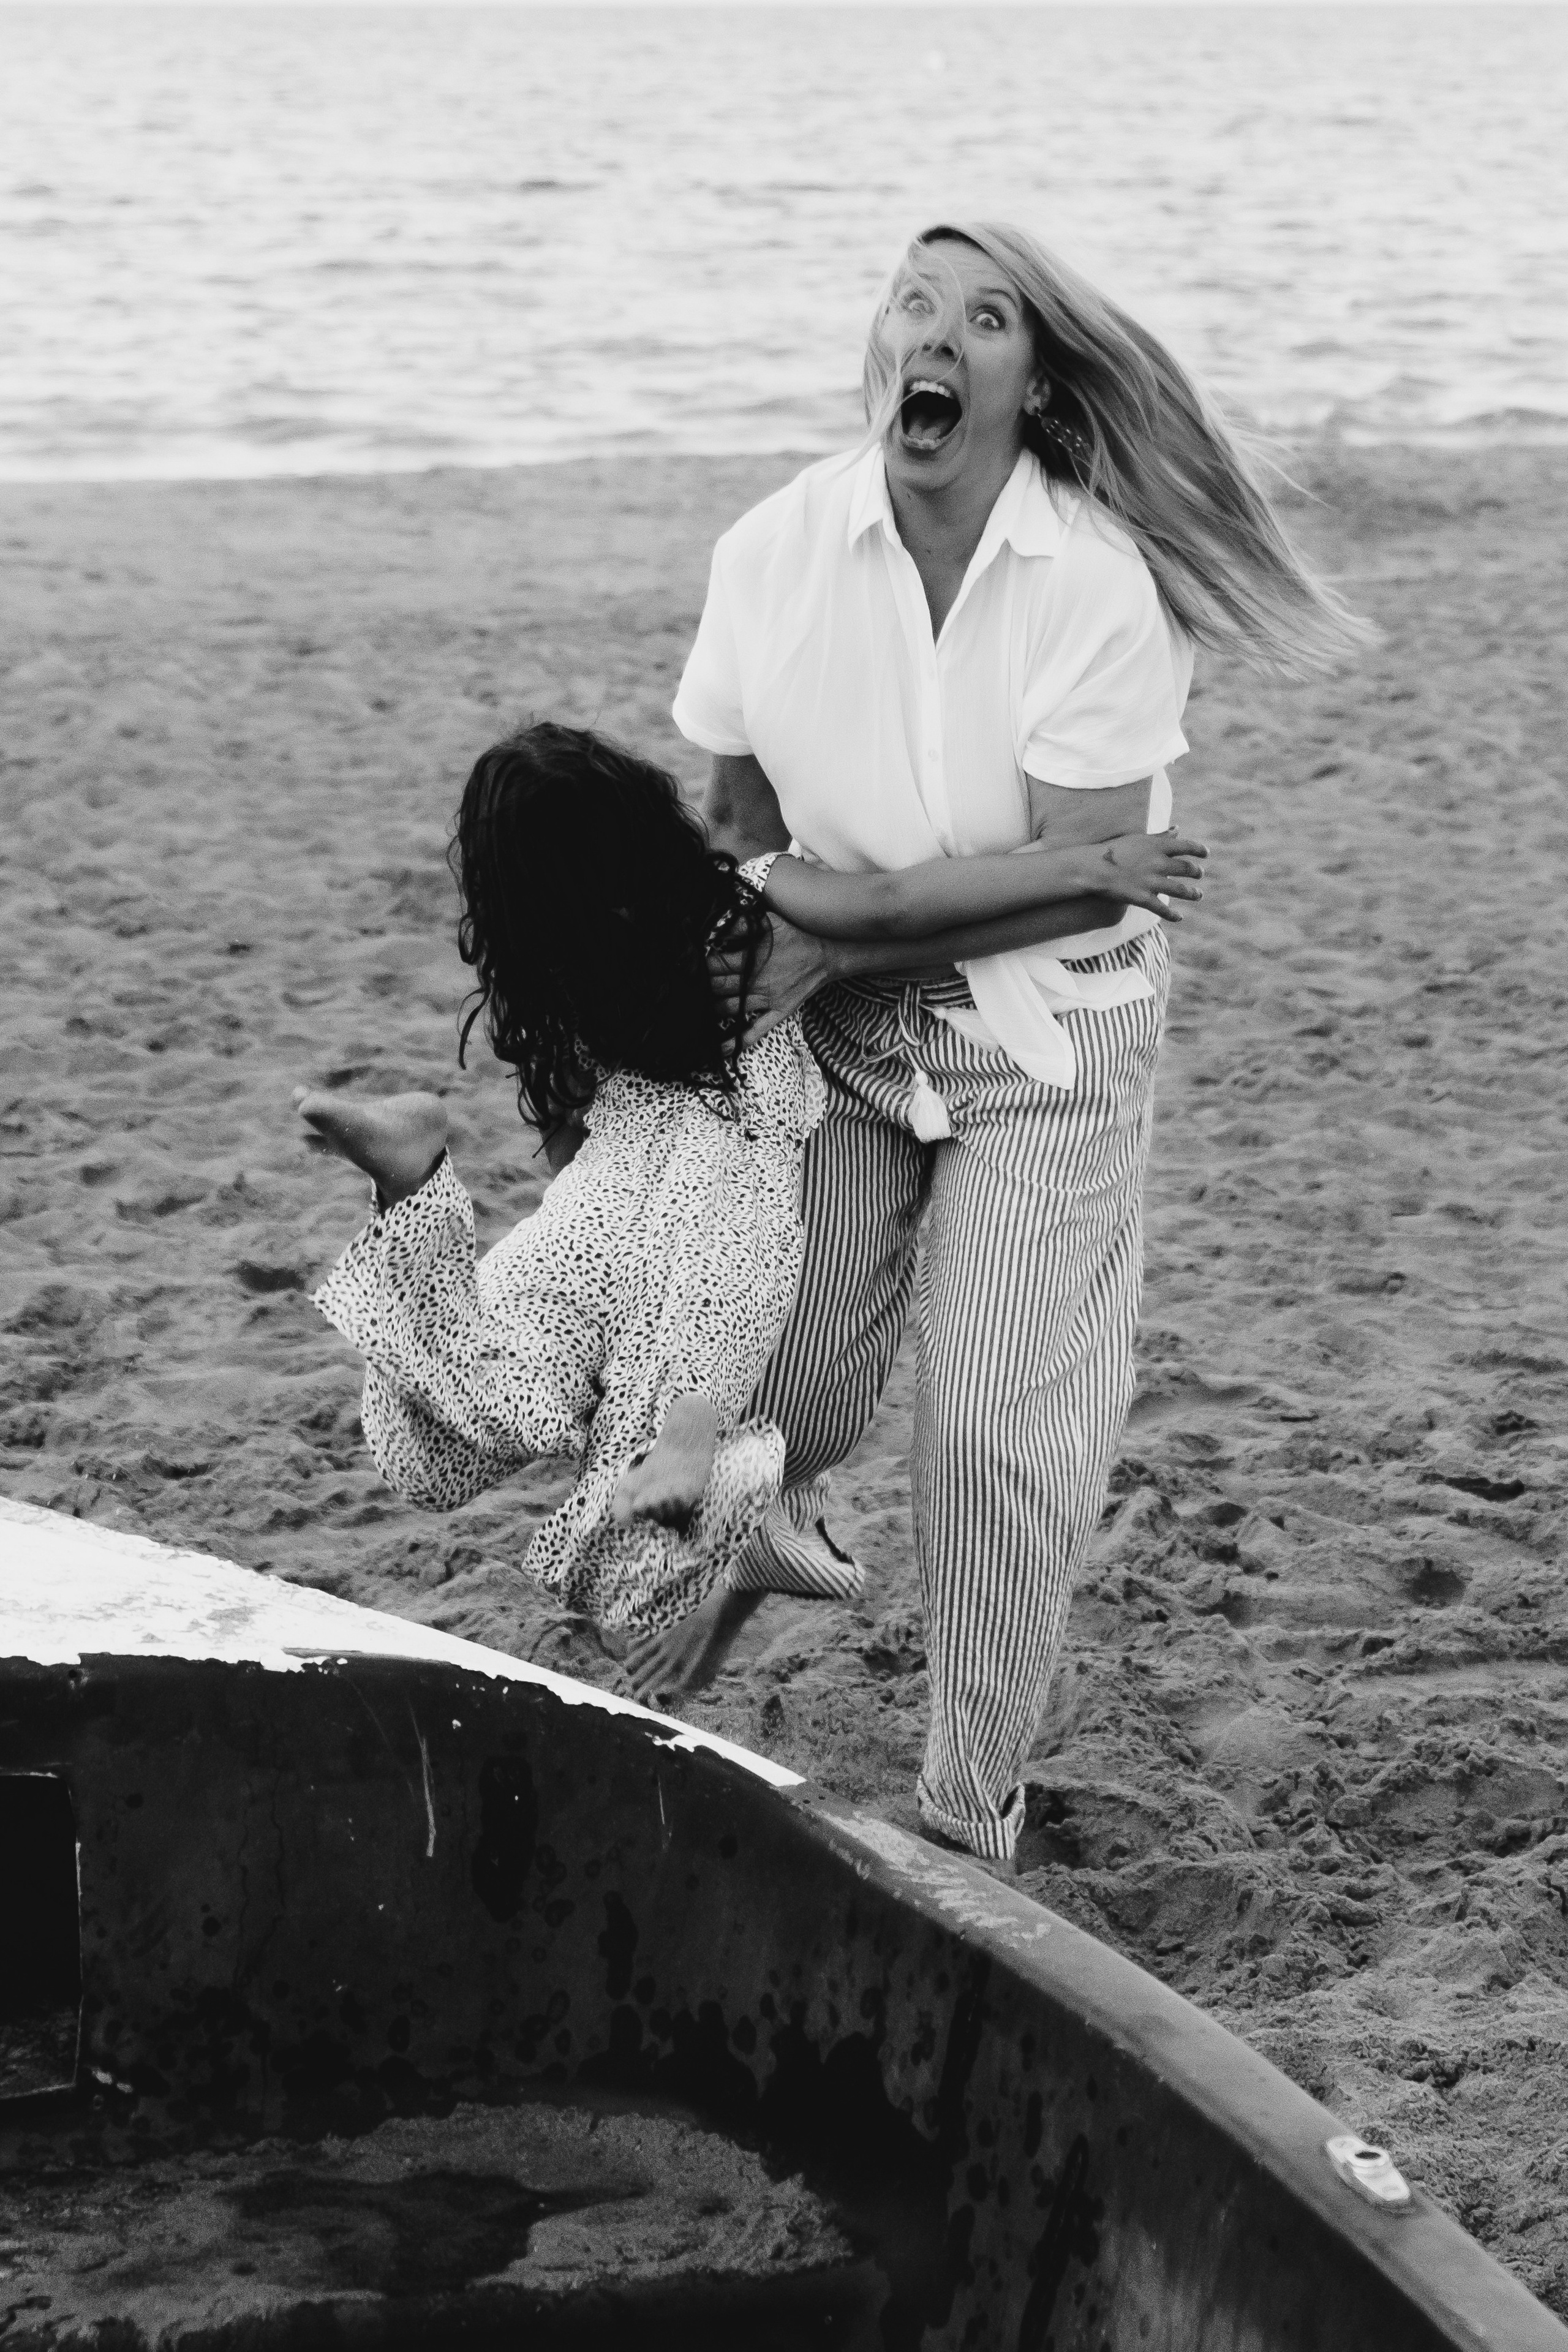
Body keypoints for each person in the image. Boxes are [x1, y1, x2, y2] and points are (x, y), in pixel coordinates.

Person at [636, 219, 1362, 1864]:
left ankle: (972, 1818)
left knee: (987, 1439)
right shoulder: (772, 551)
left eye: (988, 317)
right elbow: (739, 831)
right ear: (882, 354)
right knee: (780, 1408)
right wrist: (806, 932)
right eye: (916, 303)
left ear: (1033, 386)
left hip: (1053, 1039)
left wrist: (834, 921)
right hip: (842, 1031)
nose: (940, 334)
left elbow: (1079, 893)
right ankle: (761, 1538)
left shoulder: (1099, 584)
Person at [298, 719, 1205, 1650]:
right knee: (644, 1488)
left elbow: (573, 1148)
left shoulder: (554, 982)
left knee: (423, 1455)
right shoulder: (749, 899)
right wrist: (1089, 870)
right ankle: (703, 1438)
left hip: (590, 1214)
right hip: (709, 1192)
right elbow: (897, 905)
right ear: (644, 819)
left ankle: (414, 1197)